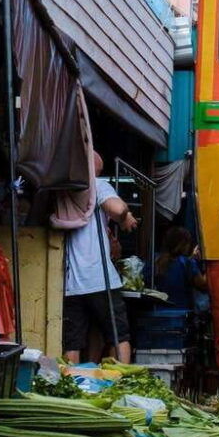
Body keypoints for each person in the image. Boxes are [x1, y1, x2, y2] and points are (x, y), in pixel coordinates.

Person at [63, 152, 137, 363]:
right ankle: (121, 378)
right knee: (118, 336)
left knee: (72, 343)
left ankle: (72, 381)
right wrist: (125, 216)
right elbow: (118, 208)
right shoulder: (96, 185)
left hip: (70, 284)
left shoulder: (62, 190)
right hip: (99, 278)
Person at [154, 226, 207, 310]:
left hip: (157, 312)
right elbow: (203, 285)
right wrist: (206, 263)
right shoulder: (188, 263)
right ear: (183, 245)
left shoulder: (155, 260)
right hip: (181, 313)